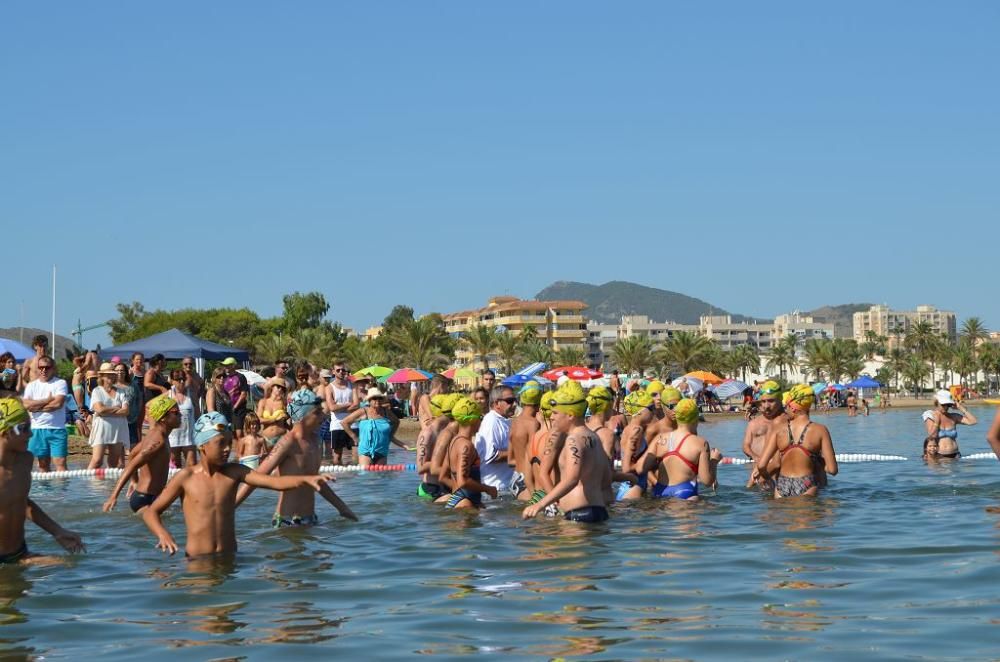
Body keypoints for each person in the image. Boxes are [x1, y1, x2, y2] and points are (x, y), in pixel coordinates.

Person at [142, 412, 336, 558]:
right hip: (197, 561)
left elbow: (275, 483)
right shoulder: (186, 477)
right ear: (202, 446)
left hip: (230, 559)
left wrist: (305, 479)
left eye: (228, 443)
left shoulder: (235, 472)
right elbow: (151, 512)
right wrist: (163, 534)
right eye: (220, 443)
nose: (228, 449)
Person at [235, 389, 357, 527]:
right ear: (302, 416)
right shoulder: (288, 442)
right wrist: (230, 508)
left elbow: (315, 480)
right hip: (288, 522)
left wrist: (342, 508)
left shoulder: (315, 440)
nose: (322, 416)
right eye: (316, 412)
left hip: (310, 519)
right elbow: (256, 477)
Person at [0, 398, 84, 563]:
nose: (31, 434)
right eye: (24, 428)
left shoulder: (25, 461)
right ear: (6, 431)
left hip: (19, 553)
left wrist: (57, 531)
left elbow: (20, 500)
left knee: (69, 565)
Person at [523, 383, 612, 522]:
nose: (551, 417)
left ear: (570, 415)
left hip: (578, 513)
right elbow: (607, 477)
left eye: (556, 413)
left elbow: (571, 479)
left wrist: (541, 504)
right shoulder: (595, 437)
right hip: (599, 511)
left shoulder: (573, 440)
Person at [757, 384, 839, 498]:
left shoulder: (778, 430)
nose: (786, 409)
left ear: (793, 407)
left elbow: (761, 466)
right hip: (806, 483)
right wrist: (817, 460)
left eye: (787, 406)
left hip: (782, 485)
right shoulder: (820, 430)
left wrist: (769, 481)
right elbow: (832, 470)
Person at [102, 394, 180, 513]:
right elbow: (132, 464)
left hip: (148, 497)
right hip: (146, 499)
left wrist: (134, 481)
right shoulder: (157, 442)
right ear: (163, 417)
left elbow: (133, 453)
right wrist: (113, 496)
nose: (180, 415)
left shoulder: (156, 433)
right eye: (176, 412)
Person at [641, 399, 722, 500]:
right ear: (696, 419)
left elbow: (643, 467)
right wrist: (714, 461)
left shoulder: (660, 439)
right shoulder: (701, 443)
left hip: (659, 491)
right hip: (685, 492)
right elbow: (707, 481)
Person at [437, 397, 498, 509]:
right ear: (473, 420)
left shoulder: (453, 442)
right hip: (464, 502)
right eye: (480, 417)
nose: (481, 421)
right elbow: (463, 481)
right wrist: (487, 489)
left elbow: (443, 477)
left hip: (457, 499)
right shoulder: (466, 446)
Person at [21, 356, 69, 472]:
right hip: (37, 429)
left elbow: (57, 404)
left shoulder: (60, 383)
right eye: (41, 367)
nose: (44, 370)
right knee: (42, 465)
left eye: (47, 367)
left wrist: (36, 408)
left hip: (56, 429)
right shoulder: (32, 385)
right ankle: (44, 491)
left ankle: (61, 490)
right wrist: (47, 401)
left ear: (53, 368)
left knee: (60, 463)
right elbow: (26, 405)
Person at [341, 387, 406, 467]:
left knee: (380, 476)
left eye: (379, 398)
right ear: (369, 401)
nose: (377, 400)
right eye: (374, 398)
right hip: (366, 450)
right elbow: (344, 422)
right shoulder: (363, 411)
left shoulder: (386, 412)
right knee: (366, 476)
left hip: (382, 450)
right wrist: (354, 437)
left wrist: (390, 435)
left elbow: (396, 422)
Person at [474, 386, 517, 498]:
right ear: (497, 403)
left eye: (515, 400)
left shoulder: (504, 420)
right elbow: (491, 456)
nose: (514, 404)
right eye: (509, 401)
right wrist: (521, 452)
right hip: (494, 490)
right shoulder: (491, 422)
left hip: (506, 487)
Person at [741, 380, 784, 489]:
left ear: (780, 400)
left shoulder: (787, 422)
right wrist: (756, 458)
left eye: (771, 401)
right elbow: (746, 446)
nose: (766, 406)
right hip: (758, 472)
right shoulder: (754, 424)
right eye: (763, 402)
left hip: (779, 474)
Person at [415, 393, 458, 500]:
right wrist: (447, 464)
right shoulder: (427, 434)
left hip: (448, 485)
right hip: (431, 489)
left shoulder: (450, 430)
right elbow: (421, 468)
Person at [87, 362, 129, 470]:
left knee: (114, 463)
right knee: (97, 461)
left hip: (118, 428)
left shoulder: (121, 391)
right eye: (108, 374)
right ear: (102, 376)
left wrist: (106, 410)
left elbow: (126, 411)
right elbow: (99, 409)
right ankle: (91, 485)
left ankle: (109, 486)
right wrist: (117, 408)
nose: (111, 376)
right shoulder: (97, 391)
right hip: (102, 427)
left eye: (112, 374)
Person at [616, 389, 656, 500]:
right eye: (651, 408)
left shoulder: (629, 429)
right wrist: (649, 461)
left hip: (631, 488)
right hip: (632, 490)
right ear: (639, 411)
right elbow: (626, 468)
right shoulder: (636, 431)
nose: (654, 411)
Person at [508, 381, 542, 501]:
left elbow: (510, 460)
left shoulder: (514, 422)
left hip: (515, 479)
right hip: (527, 481)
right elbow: (534, 459)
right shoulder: (534, 424)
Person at [922, 389, 978, 459]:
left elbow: (973, 421)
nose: (946, 407)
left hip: (956, 455)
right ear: (936, 403)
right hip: (939, 456)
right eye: (943, 405)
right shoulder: (930, 415)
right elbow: (932, 435)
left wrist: (961, 408)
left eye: (948, 405)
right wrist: (937, 421)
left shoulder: (953, 416)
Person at [324, 362, 358, 466]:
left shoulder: (352, 386)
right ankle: (339, 478)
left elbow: (356, 405)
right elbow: (332, 408)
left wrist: (339, 407)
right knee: (337, 456)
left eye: (343, 370)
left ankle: (358, 479)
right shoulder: (329, 388)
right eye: (338, 370)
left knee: (356, 455)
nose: (341, 372)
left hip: (353, 424)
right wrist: (348, 404)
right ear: (333, 372)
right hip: (337, 425)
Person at [167, 369, 196, 467]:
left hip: (189, 436)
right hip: (172, 436)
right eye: (178, 379)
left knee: (192, 466)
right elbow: (149, 406)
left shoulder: (191, 393)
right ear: (172, 381)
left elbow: (198, 413)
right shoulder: (167, 395)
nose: (182, 382)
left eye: (183, 379)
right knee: (175, 467)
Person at [256, 378, 291, 450]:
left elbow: (289, 419)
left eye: (283, 388)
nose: (280, 389)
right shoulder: (263, 402)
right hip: (266, 438)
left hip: (281, 437)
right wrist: (274, 420)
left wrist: (286, 417)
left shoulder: (284, 403)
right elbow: (258, 420)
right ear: (272, 387)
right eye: (278, 387)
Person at [221, 358, 249, 436]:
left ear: (233, 366)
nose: (225, 367)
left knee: (239, 433)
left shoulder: (240, 377)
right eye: (224, 365)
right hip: (227, 409)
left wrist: (235, 407)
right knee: (230, 433)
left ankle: (241, 447)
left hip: (239, 409)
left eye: (227, 365)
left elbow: (244, 394)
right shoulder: (223, 377)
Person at [125, 352, 146, 449]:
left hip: (143, 399)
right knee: (132, 422)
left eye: (141, 359)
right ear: (133, 360)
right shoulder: (130, 372)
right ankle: (130, 444)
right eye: (137, 359)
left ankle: (139, 444)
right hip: (133, 401)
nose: (139, 361)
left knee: (140, 424)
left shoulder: (145, 372)